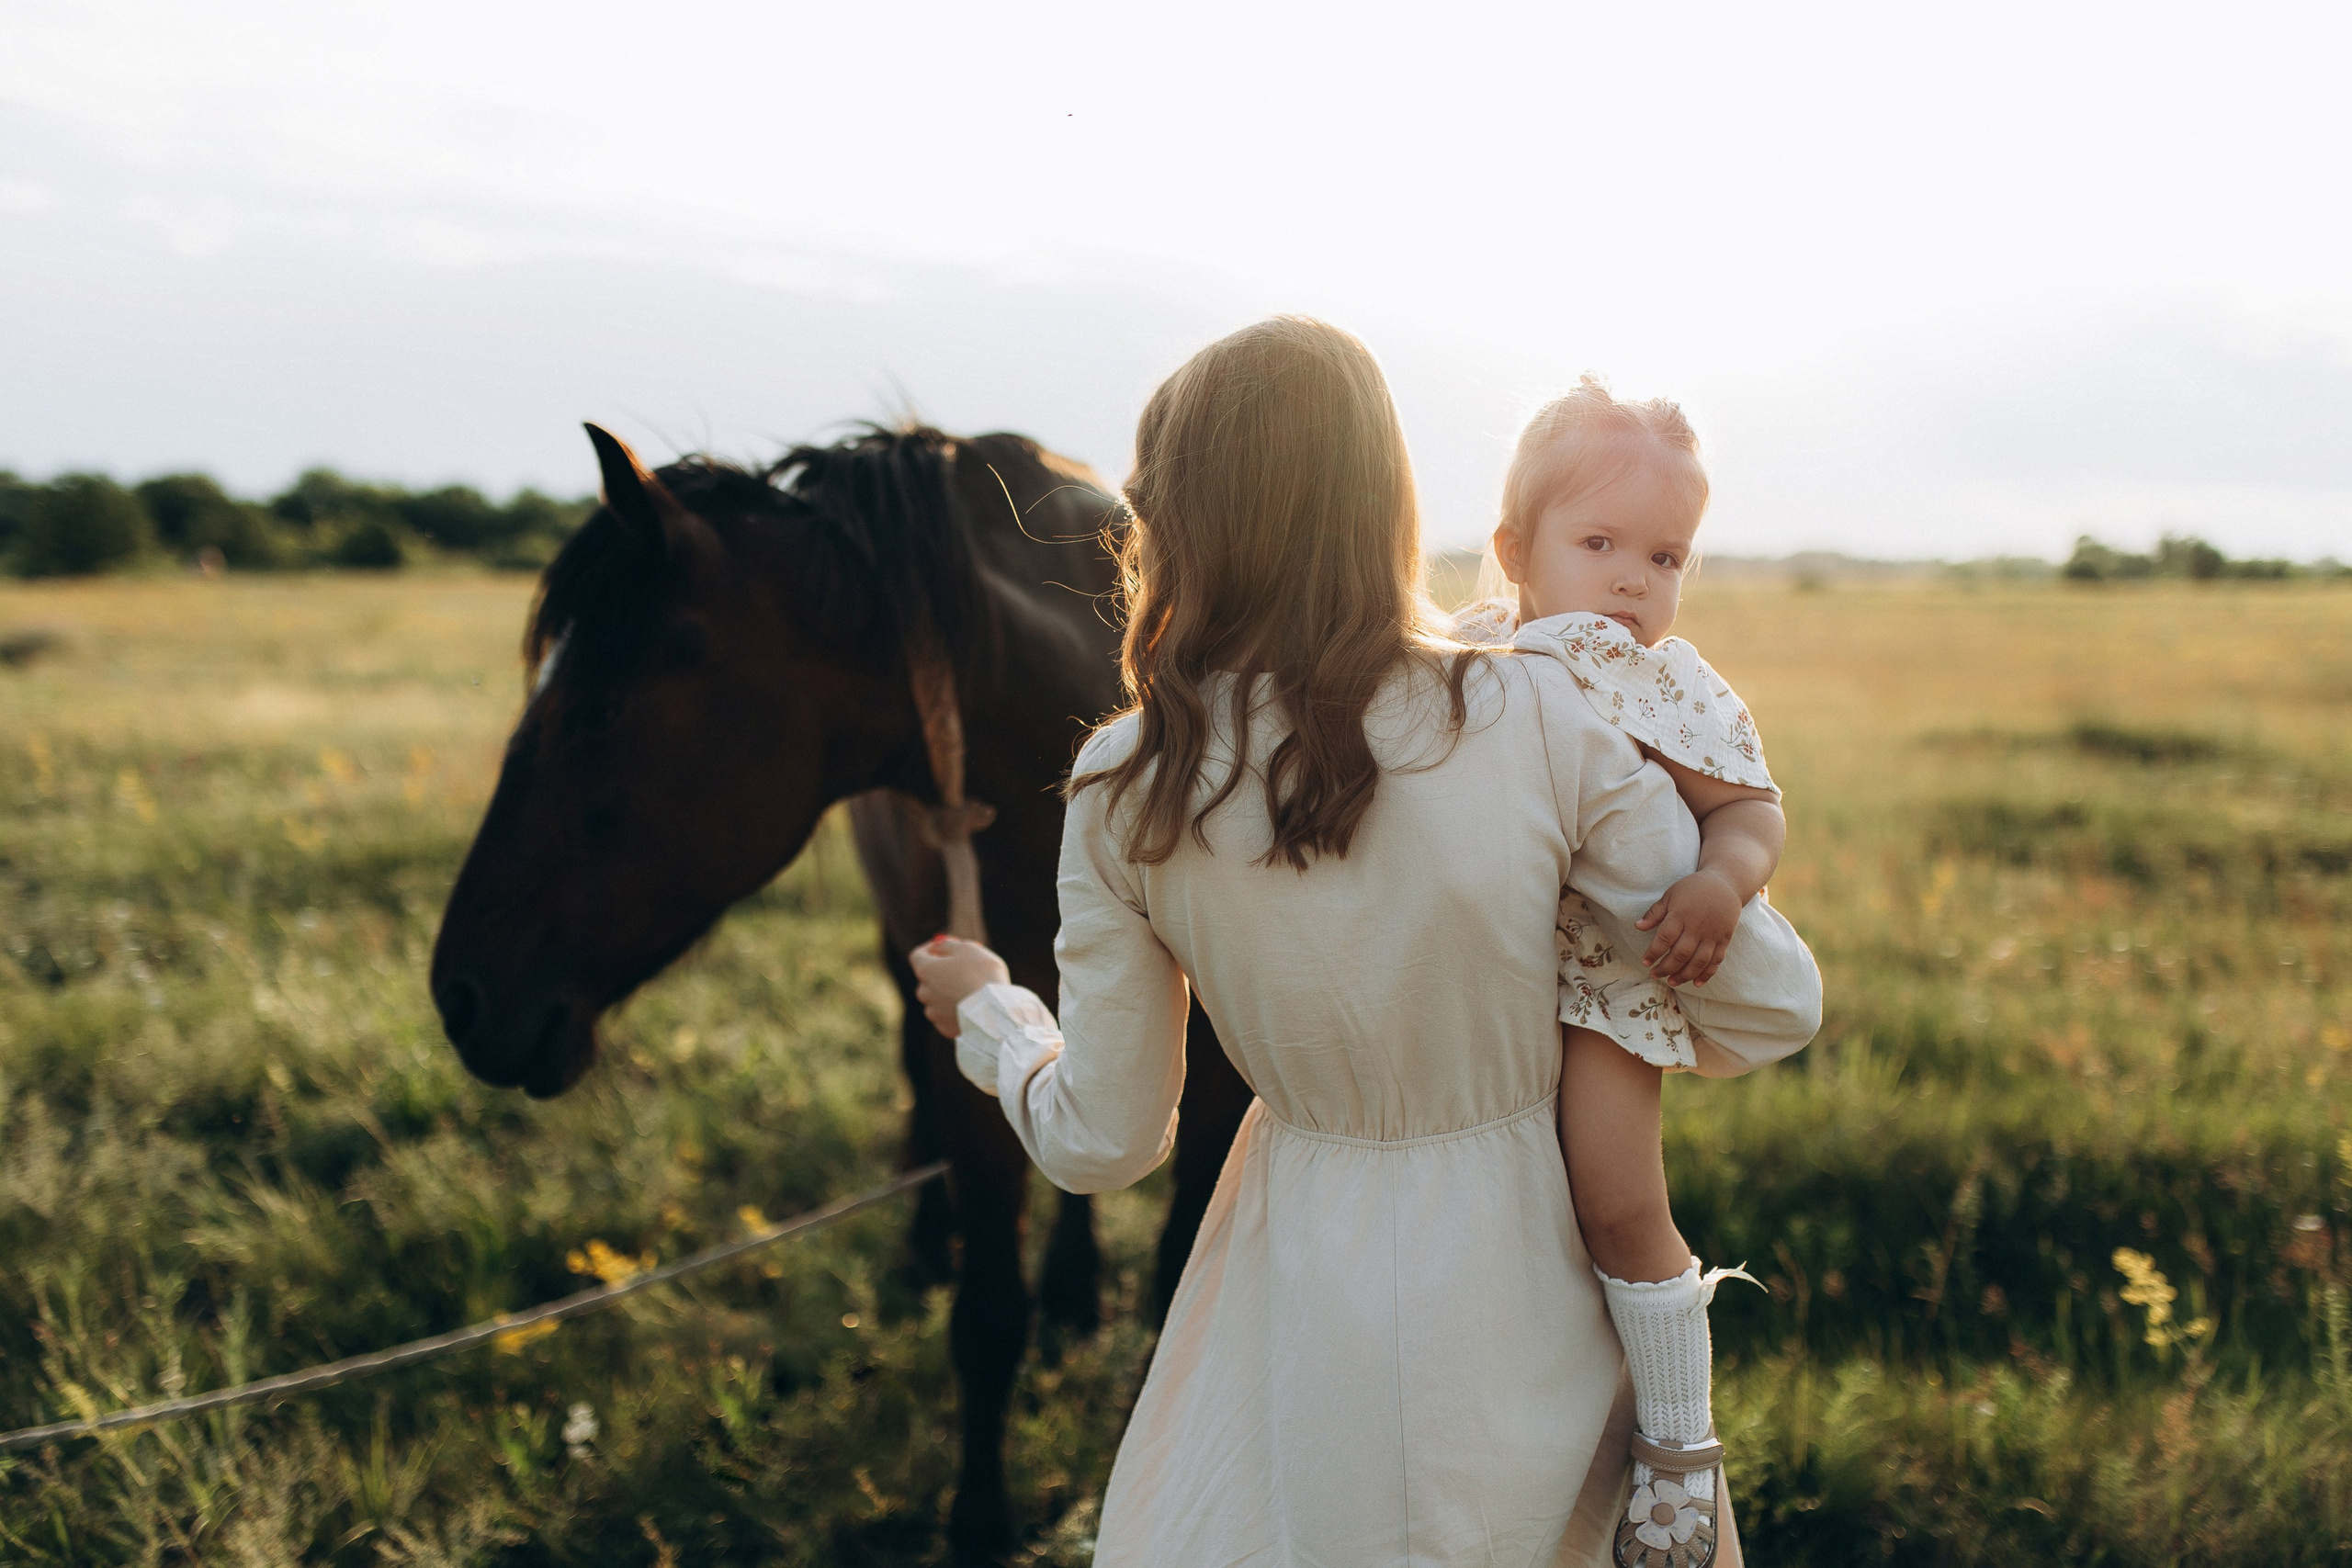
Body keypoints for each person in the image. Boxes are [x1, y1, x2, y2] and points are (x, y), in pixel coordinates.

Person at [911, 318, 1820, 1568]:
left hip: (1296, 1321)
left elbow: (1101, 1144)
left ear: (1175, 516)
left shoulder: (1123, 783)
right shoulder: (1536, 710)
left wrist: (993, 1020)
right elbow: (1773, 1006)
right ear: (1388, 503)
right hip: (1534, 1295)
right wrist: (1674, 858)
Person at [1459, 377, 1795, 1566]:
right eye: (1597, 544)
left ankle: (1678, 1441)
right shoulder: (1470, 653)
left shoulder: (1670, 685)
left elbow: (1751, 809)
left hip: (1607, 981)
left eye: (1664, 556)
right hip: (1482, 976)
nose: (1631, 581)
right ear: (1514, 551)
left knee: (1615, 1202)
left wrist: (1721, 880)